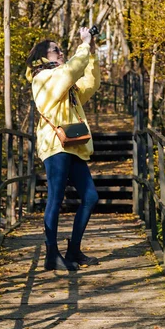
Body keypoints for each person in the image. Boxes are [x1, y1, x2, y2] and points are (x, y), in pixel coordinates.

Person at [26, 27, 101, 271]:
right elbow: (70, 73)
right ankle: (51, 255)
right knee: (56, 198)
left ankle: (74, 249)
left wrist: (90, 51)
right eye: (55, 49)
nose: (61, 52)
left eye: (60, 49)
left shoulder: (63, 79)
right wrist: (83, 45)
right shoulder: (44, 79)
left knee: (90, 197)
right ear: (42, 56)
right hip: (54, 144)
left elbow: (90, 84)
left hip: (73, 144)